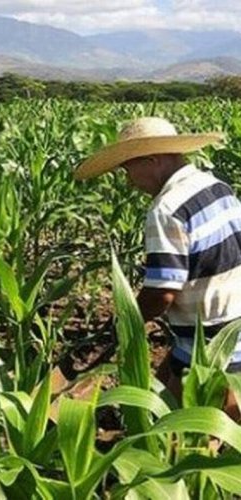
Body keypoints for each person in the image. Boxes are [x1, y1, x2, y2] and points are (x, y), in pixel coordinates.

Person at [75, 117, 241, 414]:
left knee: (186, 441)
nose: (128, 181)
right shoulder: (217, 186)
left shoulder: (166, 208)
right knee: (159, 394)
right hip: (232, 325)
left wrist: (126, 321)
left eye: (128, 170)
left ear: (151, 160)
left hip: (211, 348)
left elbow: (162, 293)